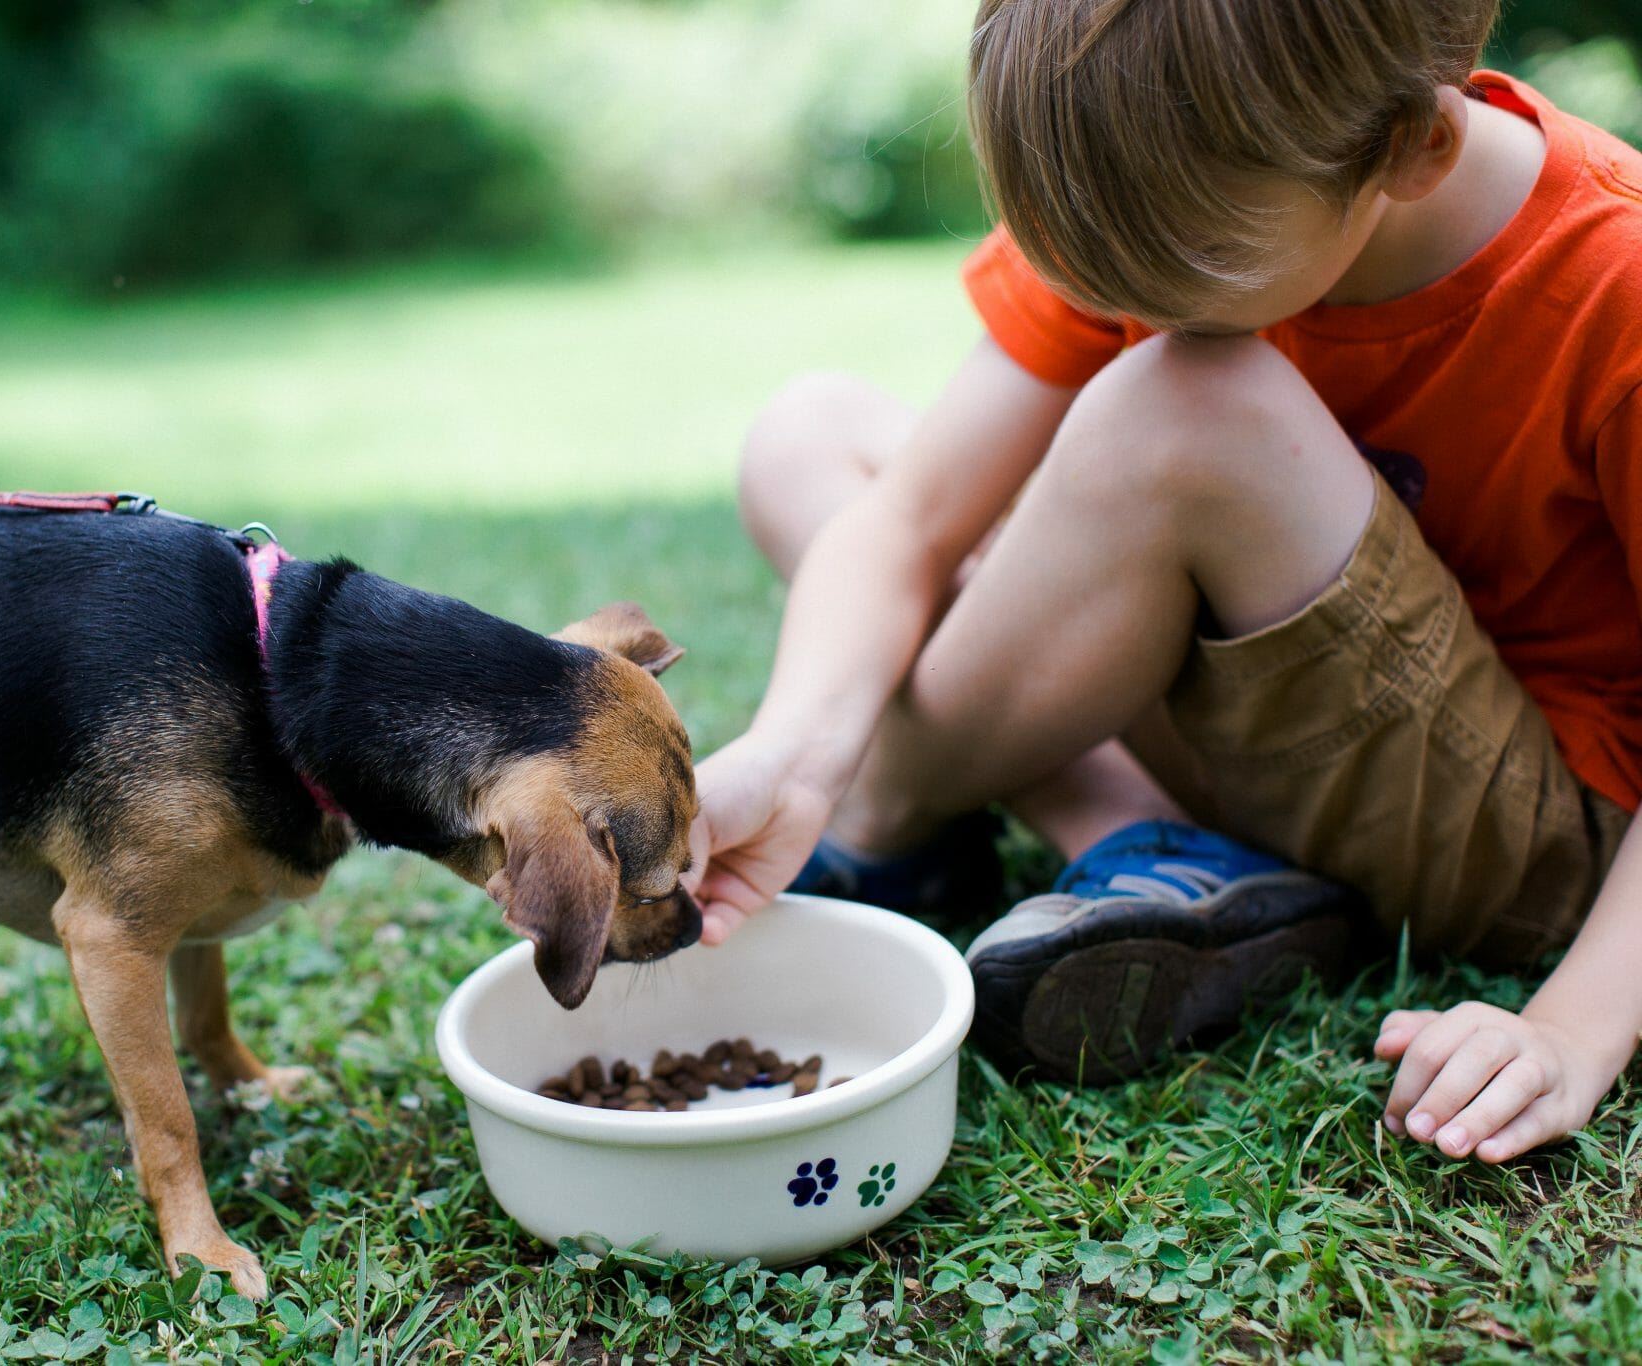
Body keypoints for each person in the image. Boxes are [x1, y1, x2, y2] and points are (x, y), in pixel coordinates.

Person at [686, 0, 1642, 1164]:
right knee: (811, 436)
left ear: (1410, 147)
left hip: (1511, 830)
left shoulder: (1612, 281)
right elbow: (906, 523)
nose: (1125, 306)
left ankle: (893, 814)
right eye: (1084, 269)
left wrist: (1571, 1029)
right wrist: (791, 751)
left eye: (1178, 282)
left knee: (1189, 405)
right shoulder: (1165, 183)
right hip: (1265, 708)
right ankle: (1150, 845)